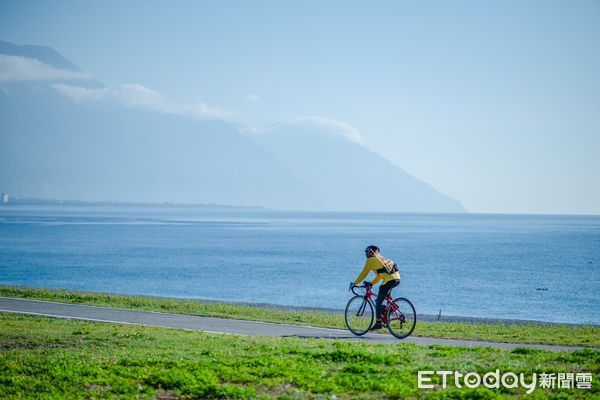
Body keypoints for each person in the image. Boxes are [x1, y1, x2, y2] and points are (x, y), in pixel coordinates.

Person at [349, 245, 400, 330]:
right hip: (396, 279)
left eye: (367, 253)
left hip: (389, 280)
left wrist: (355, 283)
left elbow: (364, 273)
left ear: (370, 253)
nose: (366, 255)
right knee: (383, 298)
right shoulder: (381, 259)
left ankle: (378, 322)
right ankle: (390, 310)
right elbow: (380, 276)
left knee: (378, 302)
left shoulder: (370, 261)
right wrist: (372, 283)